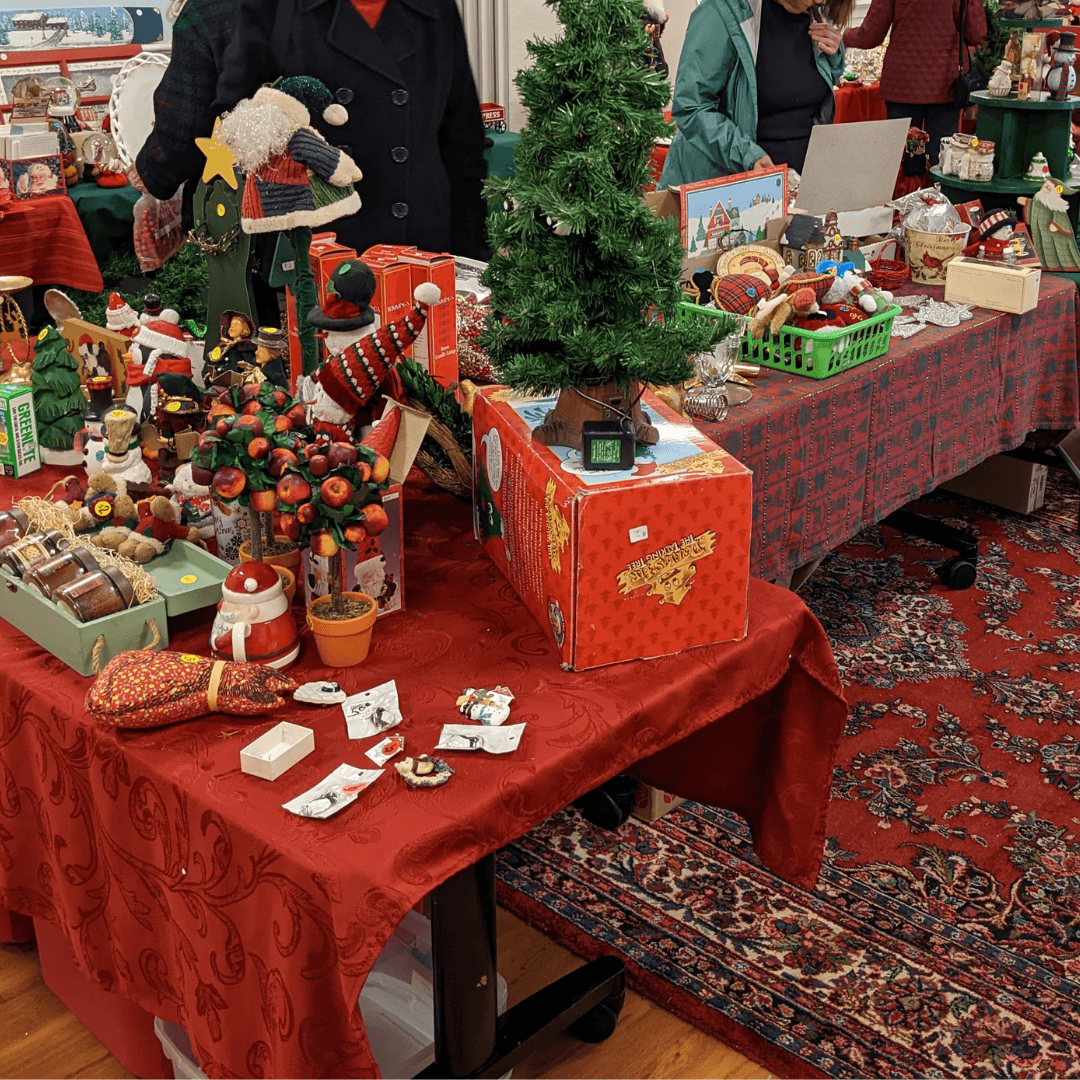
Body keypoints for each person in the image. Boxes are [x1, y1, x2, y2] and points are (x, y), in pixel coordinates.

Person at [213, 0, 490, 260]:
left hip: (422, 247)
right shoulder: (277, 7)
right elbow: (234, 115)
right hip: (316, 250)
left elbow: (463, 143)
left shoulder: (436, 7)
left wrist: (476, 262)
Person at [660, 0, 852, 186]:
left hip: (802, 180)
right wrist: (747, 155)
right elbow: (692, 107)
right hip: (734, 183)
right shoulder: (722, 11)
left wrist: (834, 57)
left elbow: (806, 86)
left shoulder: (817, 13)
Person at [842, 0, 987, 168]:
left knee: (901, 161)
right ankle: (936, 193)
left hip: (902, 82)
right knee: (940, 161)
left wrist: (842, 36)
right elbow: (976, 33)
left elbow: (871, 35)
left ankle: (905, 192)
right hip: (945, 82)